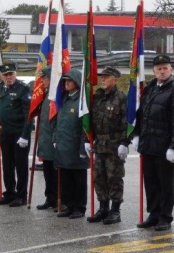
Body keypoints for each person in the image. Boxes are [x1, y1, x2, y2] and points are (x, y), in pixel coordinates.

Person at [131, 54, 174, 231]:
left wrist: (173, 147)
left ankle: (165, 217)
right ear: (153, 71)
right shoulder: (149, 88)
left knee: (165, 184)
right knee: (150, 183)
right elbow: (140, 114)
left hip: (164, 146)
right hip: (148, 144)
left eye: (165, 68)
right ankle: (153, 214)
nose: (162, 71)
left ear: (171, 70)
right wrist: (136, 135)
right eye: (159, 69)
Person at [85, 66, 129, 225]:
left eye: (106, 77)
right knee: (99, 178)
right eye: (102, 77)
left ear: (115, 80)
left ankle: (115, 210)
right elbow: (90, 121)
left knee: (114, 178)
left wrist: (125, 143)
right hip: (99, 144)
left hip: (114, 145)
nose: (102, 79)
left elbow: (126, 123)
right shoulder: (96, 97)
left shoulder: (121, 98)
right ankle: (103, 208)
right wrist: (87, 139)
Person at [0, 62, 33, 207]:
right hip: (6, 133)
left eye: (11, 74)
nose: (9, 77)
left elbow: (29, 115)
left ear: (15, 74)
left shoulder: (23, 89)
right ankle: (9, 193)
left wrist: (25, 136)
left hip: (18, 134)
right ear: (2, 76)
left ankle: (22, 196)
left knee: (20, 166)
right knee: (7, 165)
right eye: (6, 75)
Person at [53, 68, 89, 219]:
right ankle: (69, 205)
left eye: (69, 81)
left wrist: (83, 147)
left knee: (78, 180)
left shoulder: (82, 101)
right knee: (66, 179)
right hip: (63, 146)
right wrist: (55, 138)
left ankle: (79, 207)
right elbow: (58, 121)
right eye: (65, 81)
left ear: (77, 82)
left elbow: (84, 127)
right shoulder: (64, 99)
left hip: (75, 147)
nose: (66, 83)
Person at [35, 67, 59, 212]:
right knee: (47, 173)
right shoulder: (45, 95)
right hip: (45, 140)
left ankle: (58, 199)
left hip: (54, 140)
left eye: (45, 78)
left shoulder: (57, 97)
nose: (42, 81)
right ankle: (49, 197)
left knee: (56, 173)